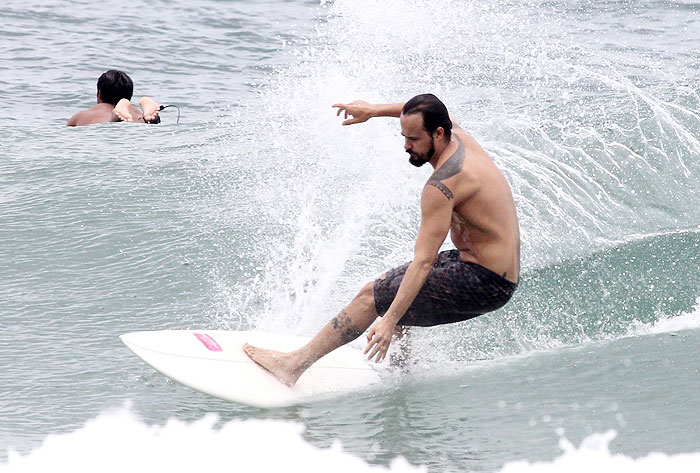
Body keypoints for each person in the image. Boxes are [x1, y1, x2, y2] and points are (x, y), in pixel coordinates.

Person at [244, 94, 520, 386]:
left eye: (413, 139)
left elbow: (424, 261)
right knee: (395, 291)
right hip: (483, 267)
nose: (406, 146)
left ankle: (292, 366)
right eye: (404, 136)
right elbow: (414, 110)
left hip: (486, 283)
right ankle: (403, 374)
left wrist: (387, 320)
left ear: (438, 134)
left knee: (372, 296)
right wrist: (373, 111)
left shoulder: (444, 185)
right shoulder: (456, 134)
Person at [67, 70, 161, 126]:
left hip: (105, 123)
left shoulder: (82, 116)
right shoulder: (135, 113)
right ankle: (153, 120)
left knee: (111, 124)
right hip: (137, 123)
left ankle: (114, 119)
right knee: (142, 124)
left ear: (99, 94)